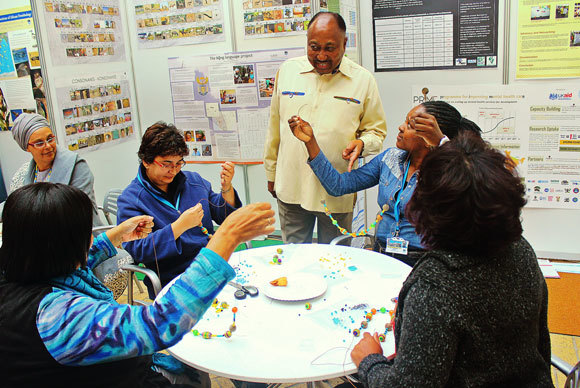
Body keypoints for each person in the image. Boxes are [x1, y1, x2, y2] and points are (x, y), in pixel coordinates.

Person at [0, 182, 275, 387]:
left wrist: (116, 236)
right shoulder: (55, 318)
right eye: (84, 234)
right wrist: (226, 237)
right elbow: (159, 323)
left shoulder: (22, 269)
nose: (89, 241)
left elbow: (78, 262)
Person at [344, 132, 553, 387]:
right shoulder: (521, 250)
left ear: (428, 209)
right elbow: (540, 345)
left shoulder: (435, 285)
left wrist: (370, 360)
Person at [289, 101, 481, 266]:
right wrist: (310, 142)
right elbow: (338, 185)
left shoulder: (450, 171)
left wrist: (442, 143)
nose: (401, 127)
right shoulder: (390, 159)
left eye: (411, 125)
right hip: (383, 253)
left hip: (423, 261)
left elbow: (473, 189)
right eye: (405, 121)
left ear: (430, 136)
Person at [264, 11, 387, 244]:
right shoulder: (288, 71)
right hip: (292, 184)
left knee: (335, 257)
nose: (321, 55)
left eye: (330, 48)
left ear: (344, 44)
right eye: (314, 47)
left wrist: (362, 144)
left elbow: (376, 131)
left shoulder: (362, 80)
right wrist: (271, 173)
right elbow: (274, 128)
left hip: (336, 189)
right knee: (294, 256)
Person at [117, 122, 242, 298]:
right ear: (146, 161)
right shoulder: (132, 200)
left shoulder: (193, 181)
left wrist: (227, 189)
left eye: (178, 163)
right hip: (173, 280)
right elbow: (137, 250)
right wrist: (179, 227)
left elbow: (224, 216)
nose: (173, 171)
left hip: (212, 266)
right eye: (166, 164)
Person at [7, 112, 102, 226]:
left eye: (50, 139)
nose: (48, 146)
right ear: (27, 147)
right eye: (40, 143)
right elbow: (15, 205)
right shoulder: (25, 173)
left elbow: (80, 212)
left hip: (80, 235)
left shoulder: (76, 166)